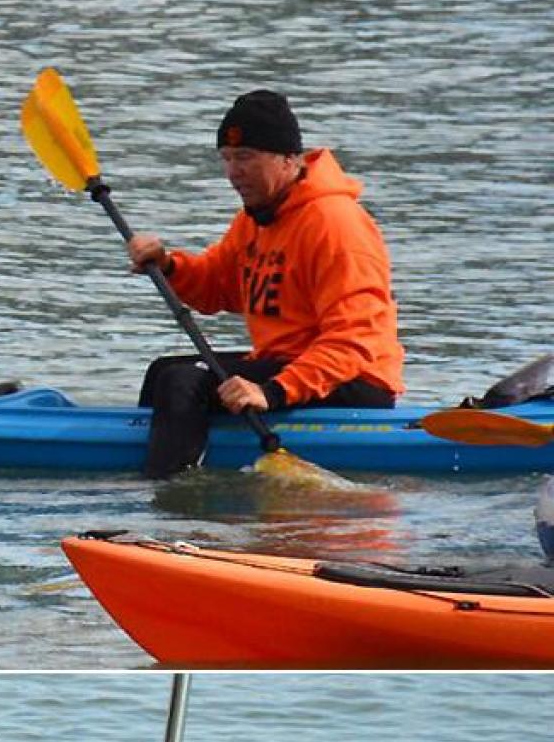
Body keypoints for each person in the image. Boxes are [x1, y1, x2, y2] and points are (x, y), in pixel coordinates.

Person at [126, 89, 404, 479]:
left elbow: (352, 341)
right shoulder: (256, 219)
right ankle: (145, 457)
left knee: (183, 382)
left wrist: (272, 392)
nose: (232, 172)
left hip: (353, 380)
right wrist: (169, 265)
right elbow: (217, 286)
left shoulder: (335, 224)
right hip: (289, 365)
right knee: (164, 372)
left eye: (245, 158)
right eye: (226, 158)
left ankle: (169, 497)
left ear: (289, 159)